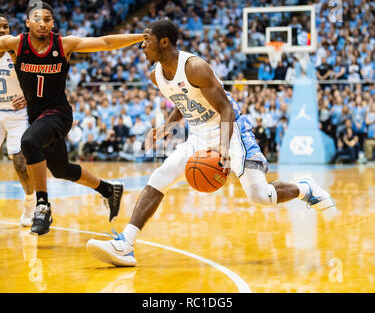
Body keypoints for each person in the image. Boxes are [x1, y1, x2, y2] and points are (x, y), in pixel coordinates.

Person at [86, 20, 337, 267]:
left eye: (146, 41)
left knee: (260, 196)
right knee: (161, 176)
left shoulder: (195, 67)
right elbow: (183, 99)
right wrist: (168, 126)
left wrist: (224, 148)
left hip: (231, 131)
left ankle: (305, 188)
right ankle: (125, 244)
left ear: (164, 42)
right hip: (198, 135)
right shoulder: (156, 76)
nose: (142, 46)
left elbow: (226, 108)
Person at [0, 0, 144, 235]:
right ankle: (109, 189)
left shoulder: (64, 44)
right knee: (61, 170)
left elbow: (106, 42)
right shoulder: (15, 44)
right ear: (27, 23)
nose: (43, 23)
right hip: (38, 117)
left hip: (58, 114)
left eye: (47, 19)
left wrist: (141, 36)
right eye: (37, 19)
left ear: (53, 23)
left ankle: (42, 205)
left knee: (29, 142)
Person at [0, 13, 35, 226]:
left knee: (21, 164)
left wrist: (29, 96)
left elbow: (37, 79)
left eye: (5, 26)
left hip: (16, 114)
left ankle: (30, 201)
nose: (3, 30)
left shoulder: (17, 52)